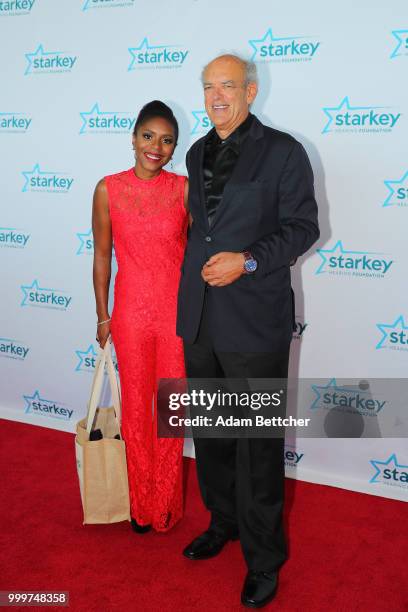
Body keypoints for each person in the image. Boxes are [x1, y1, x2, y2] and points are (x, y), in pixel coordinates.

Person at [177, 55, 319, 607]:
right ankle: (223, 522)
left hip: (255, 320)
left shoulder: (284, 151)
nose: (216, 96)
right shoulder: (194, 152)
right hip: (200, 319)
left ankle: (264, 559)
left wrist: (250, 261)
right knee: (211, 434)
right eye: (208, 86)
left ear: (251, 91)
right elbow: (201, 232)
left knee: (257, 444)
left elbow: (303, 227)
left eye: (227, 86)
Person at [92, 100, 188, 533]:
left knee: (171, 408)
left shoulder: (184, 190)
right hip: (129, 314)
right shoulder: (107, 189)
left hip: (174, 316)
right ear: (132, 138)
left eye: (167, 140)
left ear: (174, 147)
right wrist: (102, 316)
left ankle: (165, 500)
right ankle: (139, 503)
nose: (156, 146)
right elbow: (101, 255)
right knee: (134, 408)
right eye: (148, 136)